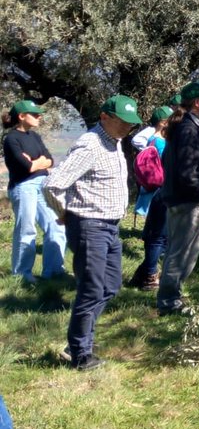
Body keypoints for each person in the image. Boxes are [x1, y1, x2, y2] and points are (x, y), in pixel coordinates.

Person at [43, 94, 142, 370]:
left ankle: (77, 340)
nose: (127, 127)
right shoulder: (90, 144)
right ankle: (80, 353)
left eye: (131, 123)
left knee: (110, 286)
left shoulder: (114, 141)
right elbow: (53, 185)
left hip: (109, 226)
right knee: (91, 289)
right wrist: (63, 213)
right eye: (122, 121)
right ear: (104, 117)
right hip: (90, 225)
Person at [156, 82, 199, 316]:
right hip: (188, 200)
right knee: (181, 252)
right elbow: (187, 168)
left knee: (182, 251)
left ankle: (173, 296)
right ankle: (168, 302)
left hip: (181, 197)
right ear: (197, 102)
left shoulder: (184, 126)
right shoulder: (188, 129)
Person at [3, 100, 66, 285]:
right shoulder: (11, 138)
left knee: (57, 226)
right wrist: (38, 163)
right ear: (21, 116)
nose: (39, 116)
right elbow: (26, 166)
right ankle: (22, 276)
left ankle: (54, 272)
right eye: (35, 114)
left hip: (42, 185)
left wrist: (36, 162)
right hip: (23, 187)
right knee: (26, 230)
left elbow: (50, 160)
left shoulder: (35, 136)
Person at [131, 106, 172, 219]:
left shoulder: (152, 139)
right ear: (163, 123)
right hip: (161, 180)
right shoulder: (160, 142)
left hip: (155, 180)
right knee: (158, 211)